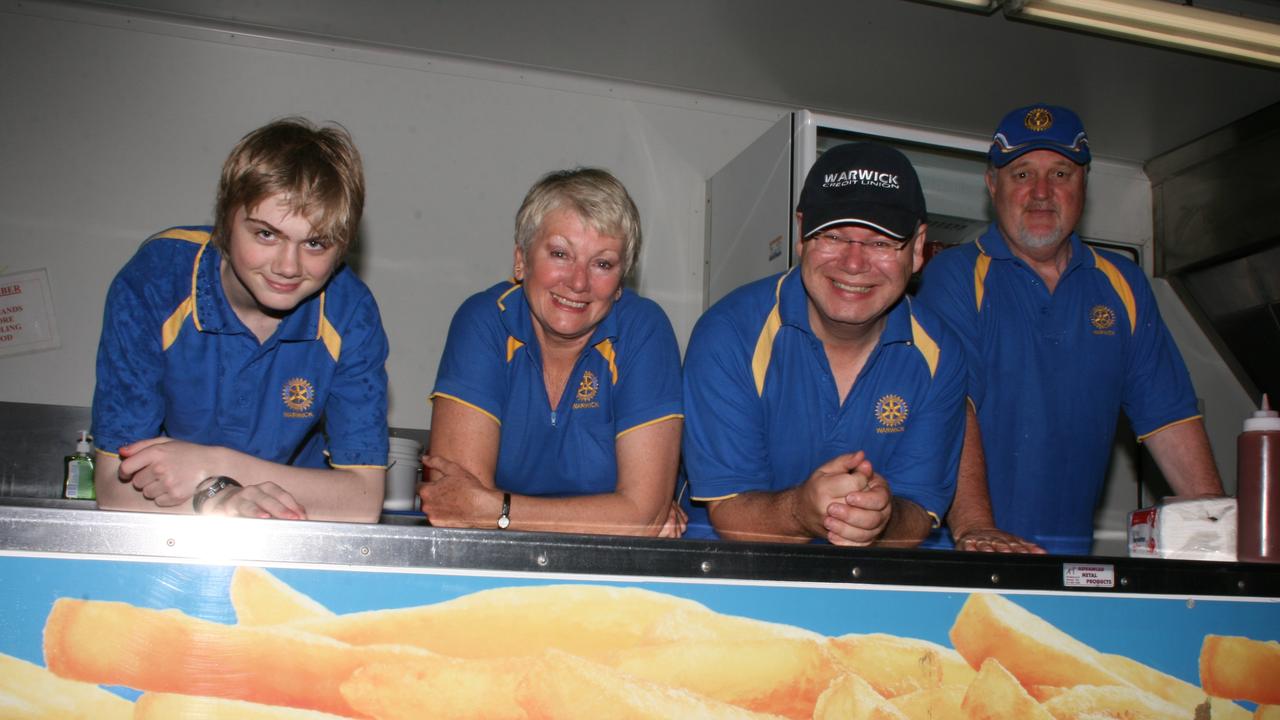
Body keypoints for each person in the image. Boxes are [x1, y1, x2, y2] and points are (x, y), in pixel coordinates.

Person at [916, 103, 1224, 555]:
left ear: (1084, 185)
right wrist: (978, 530)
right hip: (962, 555)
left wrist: (1219, 534)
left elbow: (1169, 418)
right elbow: (950, 407)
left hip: (1069, 561)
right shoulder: (955, 276)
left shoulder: (1124, 285)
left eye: (1060, 174)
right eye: (1021, 174)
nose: (1041, 192)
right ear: (992, 184)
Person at [92, 118, 389, 522]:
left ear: (342, 248)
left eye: (315, 243)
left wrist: (213, 468)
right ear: (225, 221)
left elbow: (362, 501)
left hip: (294, 532)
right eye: (266, 234)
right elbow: (112, 487)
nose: (288, 266)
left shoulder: (351, 312)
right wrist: (218, 500)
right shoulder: (155, 280)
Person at [682, 142, 966, 545]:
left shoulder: (942, 353)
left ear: (918, 247)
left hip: (859, 589)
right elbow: (730, 512)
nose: (853, 264)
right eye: (833, 236)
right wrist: (802, 510)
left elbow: (920, 510)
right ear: (802, 234)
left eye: (881, 242)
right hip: (726, 580)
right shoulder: (729, 334)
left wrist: (883, 517)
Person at [420, 168, 685, 535]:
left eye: (603, 263)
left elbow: (643, 516)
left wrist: (500, 511)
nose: (578, 282)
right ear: (520, 260)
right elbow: (457, 511)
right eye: (560, 254)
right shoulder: (484, 321)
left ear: (621, 282)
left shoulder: (644, 331)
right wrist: (617, 518)